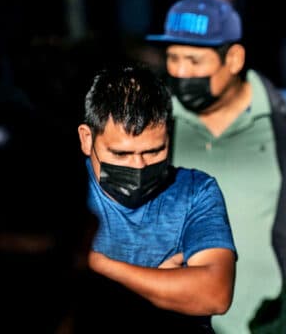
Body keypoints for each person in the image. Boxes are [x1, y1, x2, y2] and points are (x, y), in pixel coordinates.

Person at [146, 0, 286, 333]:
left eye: (194, 60)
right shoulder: (153, 127)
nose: (180, 72)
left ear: (233, 58)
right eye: (173, 59)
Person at [77, 64, 237, 329]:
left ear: (169, 136)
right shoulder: (62, 190)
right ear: (86, 138)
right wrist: (163, 286)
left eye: (154, 151)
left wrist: (96, 264)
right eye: (121, 154)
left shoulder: (196, 191)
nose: (139, 166)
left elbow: (214, 293)